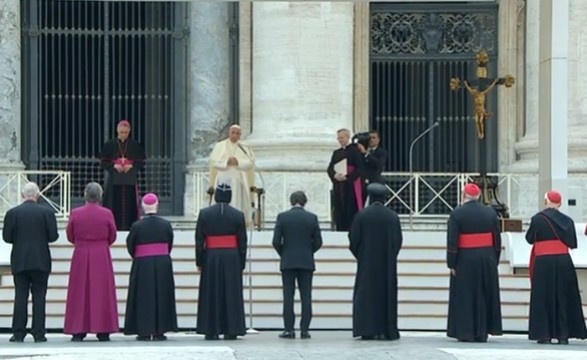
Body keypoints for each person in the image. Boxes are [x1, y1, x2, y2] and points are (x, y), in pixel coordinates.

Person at [525, 190, 587, 344]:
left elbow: (529, 239)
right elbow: (572, 243)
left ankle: (544, 335)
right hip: (563, 261)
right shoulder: (568, 221)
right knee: (563, 296)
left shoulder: (537, 219)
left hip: (543, 262)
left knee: (543, 297)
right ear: (559, 204)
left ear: (546, 202)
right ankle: (563, 335)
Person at [2, 182, 59, 343]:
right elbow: (53, 237)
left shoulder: (13, 213)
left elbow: (7, 237)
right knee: (39, 297)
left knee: (20, 296)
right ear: (38, 195)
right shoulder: (47, 213)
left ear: (22, 195)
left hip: (20, 260)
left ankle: (18, 333)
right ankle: (39, 332)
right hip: (41, 260)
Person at [446, 183, 502, 342]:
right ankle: (482, 332)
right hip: (486, 257)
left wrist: (452, 263)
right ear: (479, 196)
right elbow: (497, 239)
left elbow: (452, 241)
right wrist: (494, 259)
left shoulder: (457, 213)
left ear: (464, 195)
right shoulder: (490, 213)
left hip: (464, 258)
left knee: (466, 296)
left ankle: (465, 332)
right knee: (483, 295)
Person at [63, 182, 119, 342]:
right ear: (100, 196)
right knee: (102, 291)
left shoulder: (75, 213)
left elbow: (70, 234)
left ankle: (78, 330)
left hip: (81, 253)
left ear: (85, 195)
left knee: (79, 291)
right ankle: (103, 329)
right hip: (101, 254)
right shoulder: (107, 213)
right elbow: (112, 235)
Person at [349, 183, 402, 340]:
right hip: (387, 264)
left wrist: (361, 255)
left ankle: (367, 329)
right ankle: (386, 329)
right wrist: (390, 256)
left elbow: (353, 240)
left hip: (366, 263)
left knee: (366, 295)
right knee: (387, 294)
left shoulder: (362, 215)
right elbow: (398, 241)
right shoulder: (392, 217)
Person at [195, 182, 247, 340]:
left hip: (211, 256)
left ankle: (211, 330)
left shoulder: (204, 213)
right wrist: (241, 263)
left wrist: (200, 261)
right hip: (232, 257)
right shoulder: (238, 215)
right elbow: (242, 242)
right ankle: (232, 329)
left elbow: (199, 240)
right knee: (231, 293)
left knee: (211, 292)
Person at [124, 193, 178, 341]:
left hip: (142, 264)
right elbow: (170, 243)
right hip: (162, 263)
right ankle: (160, 331)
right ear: (157, 206)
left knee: (143, 297)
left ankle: (144, 331)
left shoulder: (137, 226)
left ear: (142, 207)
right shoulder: (165, 224)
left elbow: (130, 245)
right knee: (162, 295)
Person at [272, 191, 323, 340]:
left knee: (288, 297)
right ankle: (305, 330)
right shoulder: (312, 218)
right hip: (306, 261)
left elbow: (276, 241)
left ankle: (289, 329)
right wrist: (308, 251)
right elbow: (318, 242)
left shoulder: (282, 217)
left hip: (288, 261)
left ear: (291, 201)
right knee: (306, 296)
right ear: (305, 201)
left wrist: (284, 253)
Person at [100, 119, 146, 230]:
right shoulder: (110, 144)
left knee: (130, 203)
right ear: (117, 131)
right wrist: (114, 166)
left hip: (129, 179)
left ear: (129, 132)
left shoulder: (135, 145)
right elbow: (103, 162)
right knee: (113, 202)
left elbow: (141, 162)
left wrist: (132, 166)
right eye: (121, 132)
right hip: (114, 180)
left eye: (126, 133)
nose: (123, 135)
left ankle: (129, 225)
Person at [208, 124, 256, 227]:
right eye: (233, 133)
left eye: (237, 133)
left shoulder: (244, 147)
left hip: (239, 179)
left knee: (237, 203)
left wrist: (238, 162)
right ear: (229, 133)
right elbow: (213, 162)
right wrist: (226, 162)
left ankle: (237, 223)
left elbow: (250, 162)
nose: (235, 135)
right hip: (223, 178)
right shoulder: (220, 146)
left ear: (240, 135)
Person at [327, 128, 365, 231]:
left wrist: (347, 177)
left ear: (347, 137)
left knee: (351, 208)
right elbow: (330, 168)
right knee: (339, 209)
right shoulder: (336, 153)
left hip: (350, 185)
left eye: (342, 137)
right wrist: (335, 175)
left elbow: (359, 168)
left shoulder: (355, 150)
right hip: (339, 185)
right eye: (338, 138)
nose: (340, 140)